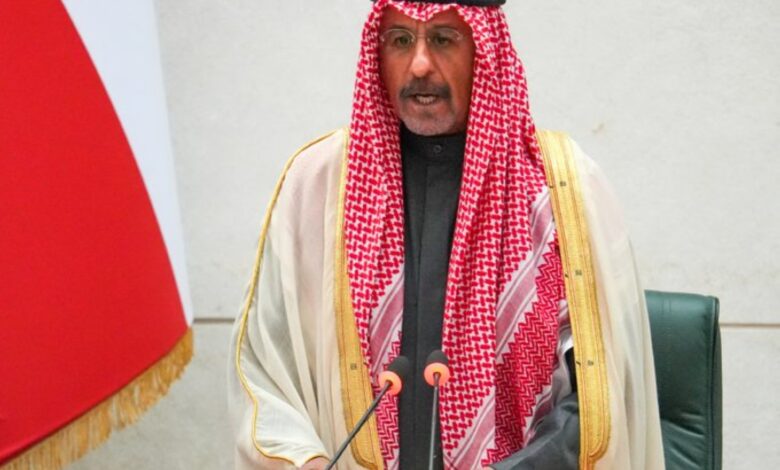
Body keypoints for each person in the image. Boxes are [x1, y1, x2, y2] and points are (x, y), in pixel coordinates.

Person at [228, 1, 665, 469]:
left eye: (442, 38)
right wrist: (308, 461)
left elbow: (598, 395)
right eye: (400, 40)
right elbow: (263, 368)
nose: (419, 65)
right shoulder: (319, 186)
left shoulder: (562, 190)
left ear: (484, 50)